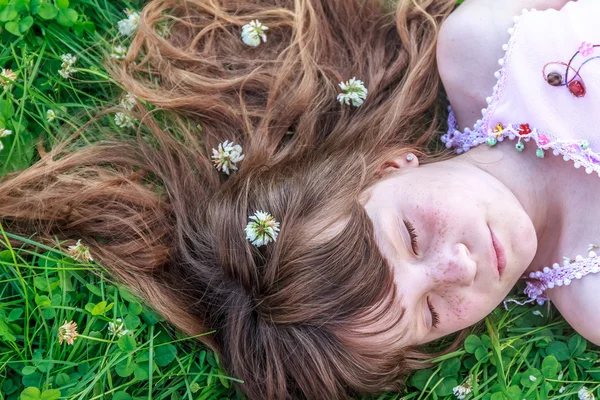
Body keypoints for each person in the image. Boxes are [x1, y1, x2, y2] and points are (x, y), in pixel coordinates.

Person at [0, 0, 597, 398]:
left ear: (391, 166)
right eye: (433, 314)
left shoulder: (484, 49)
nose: (459, 268)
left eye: (411, 236)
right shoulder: (592, 298)